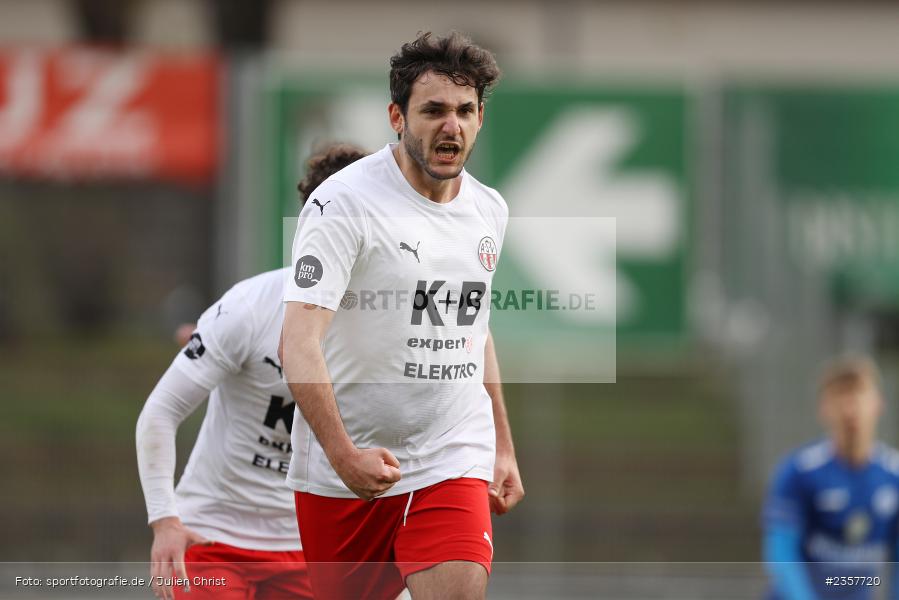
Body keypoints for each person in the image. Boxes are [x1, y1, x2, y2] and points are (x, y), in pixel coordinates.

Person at [280, 31, 524, 600]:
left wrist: (501, 446)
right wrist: (343, 455)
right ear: (397, 116)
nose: (451, 126)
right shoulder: (343, 205)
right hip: (348, 470)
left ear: (481, 118)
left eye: (465, 111)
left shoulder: (489, 209)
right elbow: (298, 342)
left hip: (450, 452)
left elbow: (473, 329)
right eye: (433, 110)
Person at [136, 144, 368, 600]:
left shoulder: (390, 322)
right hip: (211, 539)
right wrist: (165, 521)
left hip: (313, 547)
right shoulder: (249, 307)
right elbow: (160, 412)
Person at [762, 356, 899, 600]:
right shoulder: (799, 471)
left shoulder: (893, 476)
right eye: (839, 397)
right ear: (823, 408)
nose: (849, 409)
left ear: (878, 404)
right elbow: (782, 554)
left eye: (858, 394)